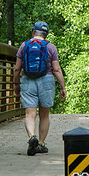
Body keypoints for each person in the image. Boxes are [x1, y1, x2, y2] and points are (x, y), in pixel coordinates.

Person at [13, 21, 67, 156]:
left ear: (33, 32)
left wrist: (16, 84)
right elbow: (56, 69)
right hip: (46, 80)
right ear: (46, 34)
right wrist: (63, 87)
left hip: (28, 80)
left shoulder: (24, 45)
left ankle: (32, 137)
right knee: (44, 114)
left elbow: (17, 68)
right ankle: (41, 144)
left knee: (29, 113)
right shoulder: (51, 47)